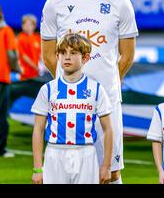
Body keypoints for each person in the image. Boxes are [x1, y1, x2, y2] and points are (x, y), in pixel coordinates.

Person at [40, 0, 138, 184]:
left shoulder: (120, 3)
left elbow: (127, 55)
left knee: (112, 173)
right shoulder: (55, 4)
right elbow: (49, 55)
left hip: (108, 100)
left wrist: (105, 88)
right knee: (68, 172)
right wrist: (69, 87)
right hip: (68, 104)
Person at [31, 33, 113, 184]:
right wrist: (37, 168)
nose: (67, 57)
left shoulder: (96, 89)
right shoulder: (48, 89)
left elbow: (108, 129)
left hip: (86, 153)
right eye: (62, 53)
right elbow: (38, 129)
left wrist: (107, 166)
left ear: (85, 58)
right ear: (57, 56)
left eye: (73, 53)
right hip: (54, 153)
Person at [0, 5, 20, 158]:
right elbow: (11, 56)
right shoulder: (6, 31)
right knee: (1, 115)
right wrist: (18, 69)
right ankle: (1, 149)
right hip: (1, 78)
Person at [17, 14, 41, 80]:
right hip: (25, 72)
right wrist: (34, 66)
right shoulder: (20, 38)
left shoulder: (37, 37)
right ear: (22, 26)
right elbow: (23, 55)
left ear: (34, 26)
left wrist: (42, 66)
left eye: (30, 25)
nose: (28, 27)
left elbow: (41, 53)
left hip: (36, 72)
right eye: (25, 25)